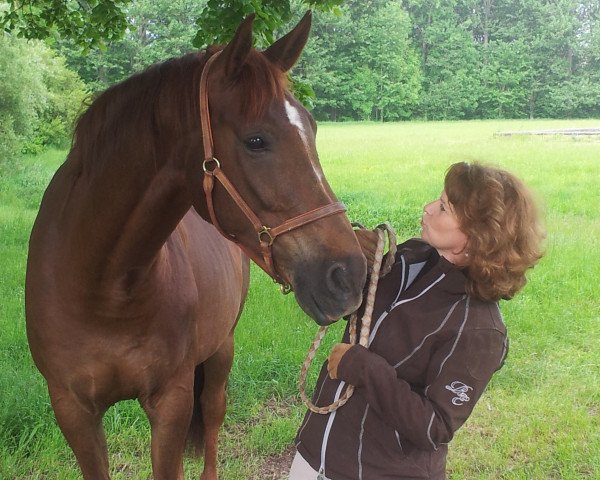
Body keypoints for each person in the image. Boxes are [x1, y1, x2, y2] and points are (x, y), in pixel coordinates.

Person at [289, 162, 545, 480]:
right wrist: (355, 259)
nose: (428, 209)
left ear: (477, 235)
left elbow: (434, 427)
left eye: (443, 208)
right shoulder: (411, 256)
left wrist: (363, 367)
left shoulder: (480, 330)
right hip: (314, 455)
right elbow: (356, 311)